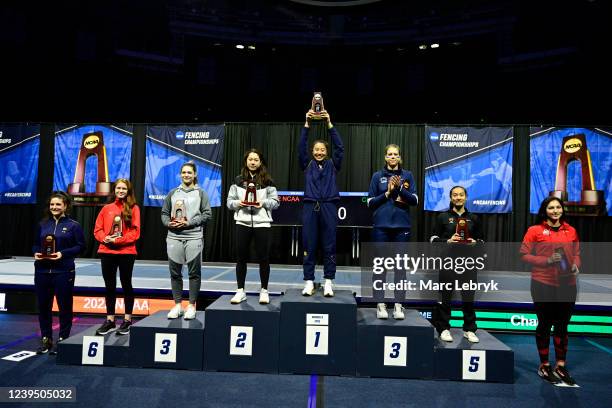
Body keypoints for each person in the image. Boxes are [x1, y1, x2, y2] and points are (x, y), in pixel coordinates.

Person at [520, 196, 580, 385]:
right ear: (545, 210)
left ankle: (560, 365)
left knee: (562, 326)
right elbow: (524, 255)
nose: (555, 211)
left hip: (567, 285)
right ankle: (544, 365)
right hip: (542, 284)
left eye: (558, 207)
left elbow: (577, 253)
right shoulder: (534, 231)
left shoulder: (571, 230)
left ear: (562, 210)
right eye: (551, 208)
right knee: (545, 325)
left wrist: (577, 265)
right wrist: (545, 261)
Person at [367, 144, 418, 319]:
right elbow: (370, 203)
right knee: (380, 267)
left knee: (400, 268)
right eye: (390, 154)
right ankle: (380, 304)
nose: (393, 157)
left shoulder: (408, 175)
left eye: (396, 154)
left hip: (401, 229)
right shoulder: (377, 176)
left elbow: (414, 201)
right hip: (381, 228)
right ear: (385, 157)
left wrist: (401, 189)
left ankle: (398, 305)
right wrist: (387, 193)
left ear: (400, 157)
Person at [33, 191, 85, 354]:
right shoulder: (42, 224)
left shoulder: (73, 225)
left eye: (58, 204)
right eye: (52, 204)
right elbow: (35, 245)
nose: (54, 207)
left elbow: (81, 246)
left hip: (63, 271)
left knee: (64, 307)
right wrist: (35, 252)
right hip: (42, 271)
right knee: (43, 307)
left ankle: (63, 338)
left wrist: (63, 254)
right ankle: (46, 339)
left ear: (65, 206)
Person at [430, 186, 483, 343]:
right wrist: (447, 241)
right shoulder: (442, 217)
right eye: (455, 195)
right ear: (450, 197)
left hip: (468, 263)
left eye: (461, 195)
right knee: (445, 297)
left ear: (466, 197)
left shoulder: (474, 218)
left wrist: (474, 242)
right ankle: (444, 328)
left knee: (468, 297)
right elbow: (432, 240)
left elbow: (482, 241)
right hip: (448, 262)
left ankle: (469, 329)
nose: (458, 197)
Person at [299, 109, 344, 297]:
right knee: (309, 245)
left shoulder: (333, 164)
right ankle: (309, 282)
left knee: (329, 245)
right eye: (316, 150)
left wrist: (329, 124)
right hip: (310, 206)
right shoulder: (307, 164)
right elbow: (301, 147)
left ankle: (328, 282)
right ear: (312, 151)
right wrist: (307, 126)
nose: (319, 152)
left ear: (326, 152)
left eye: (322, 150)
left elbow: (339, 147)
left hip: (329, 206)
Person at [227, 149, 280, 304]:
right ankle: (240, 291)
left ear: (260, 162)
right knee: (241, 258)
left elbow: (276, 202)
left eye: (256, 159)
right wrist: (239, 203)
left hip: (262, 223)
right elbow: (229, 202)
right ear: (246, 161)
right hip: (242, 222)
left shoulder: (268, 181)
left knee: (263, 258)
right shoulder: (237, 180)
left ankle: (264, 290)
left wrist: (262, 203)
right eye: (250, 159)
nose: (253, 162)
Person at [161, 162, 212, 319]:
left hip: (194, 236)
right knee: (175, 273)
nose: (186, 175)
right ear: (180, 174)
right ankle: (177, 305)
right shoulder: (172, 193)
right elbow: (164, 213)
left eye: (189, 172)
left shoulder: (201, 193)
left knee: (194, 273)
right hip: (174, 237)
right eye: (183, 172)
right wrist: (168, 223)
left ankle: (191, 306)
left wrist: (189, 223)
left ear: (195, 174)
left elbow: (207, 214)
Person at [93, 179, 141, 335]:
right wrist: (104, 238)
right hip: (107, 251)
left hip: (126, 252)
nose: (121, 191)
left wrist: (119, 240)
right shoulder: (106, 208)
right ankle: (110, 320)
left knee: (126, 285)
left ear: (128, 191)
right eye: (118, 188)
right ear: (114, 190)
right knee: (109, 286)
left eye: (124, 188)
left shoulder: (134, 208)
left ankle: (127, 320)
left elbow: (135, 232)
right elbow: (97, 230)